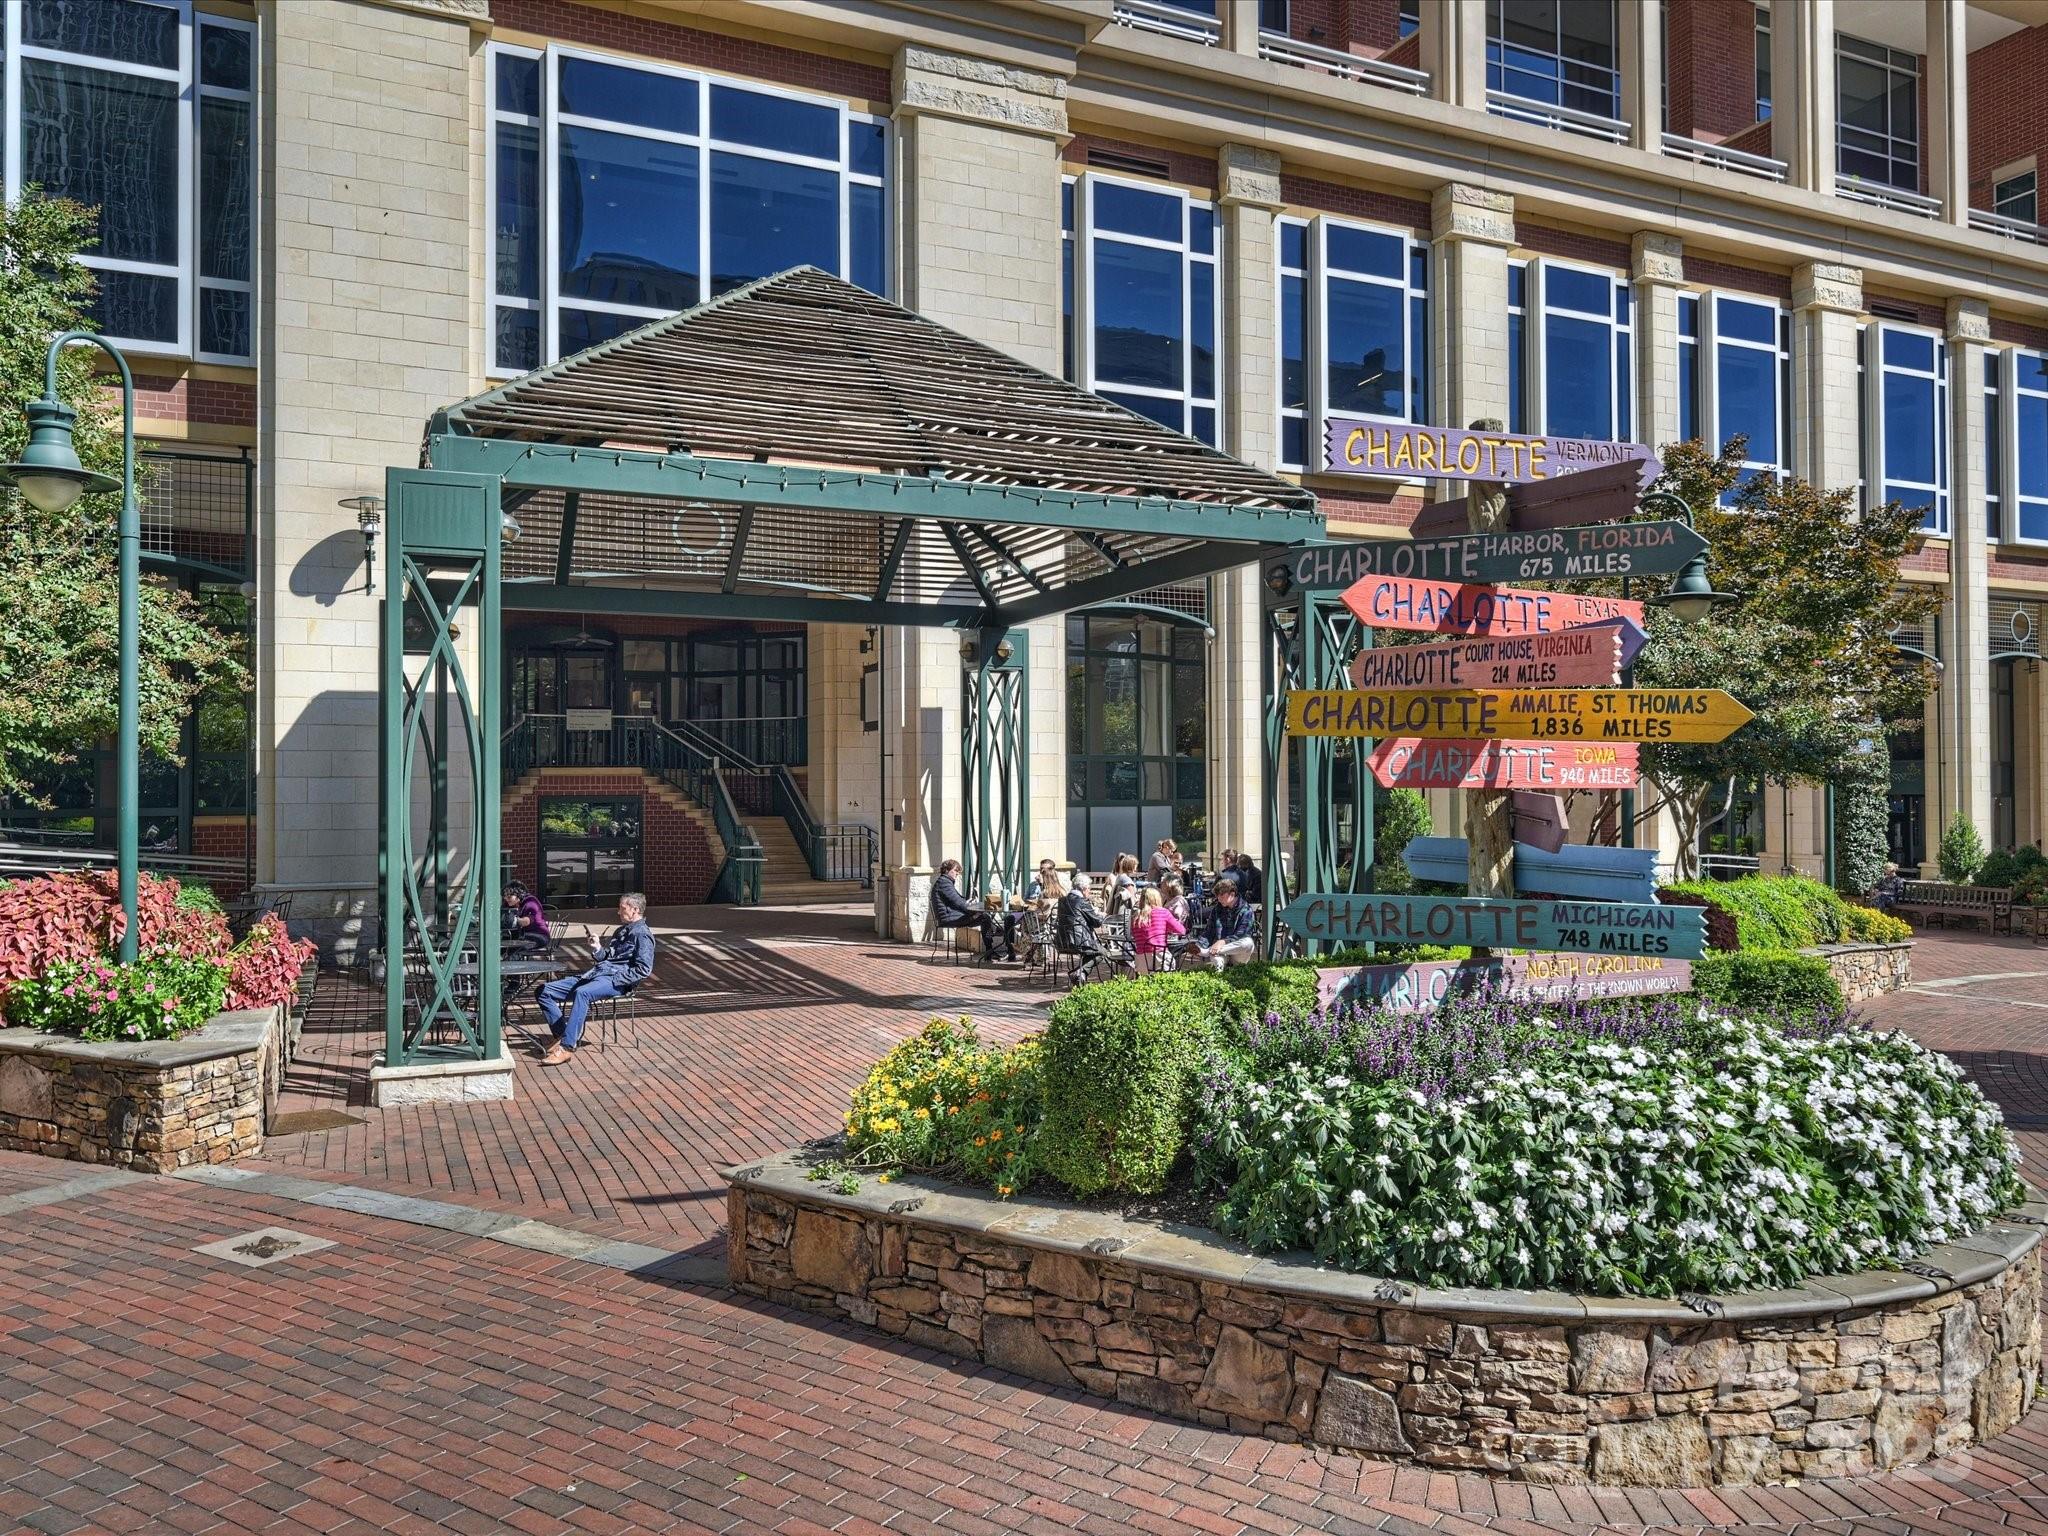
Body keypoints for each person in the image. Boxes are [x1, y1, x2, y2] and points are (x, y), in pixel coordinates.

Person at [536, 892, 654, 1064]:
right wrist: (597, 948)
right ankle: (563, 1034)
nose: (618, 912)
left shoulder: (642, 934)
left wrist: (616, 979)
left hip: (615, 980)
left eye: (622, 908)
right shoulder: (621, 930)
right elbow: (607, 957)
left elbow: (644, 969)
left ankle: (567, 1047)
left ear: (635, 910)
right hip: (596, 974)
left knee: (582, 993)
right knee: (543, 991)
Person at [931, 858, 1016, 962]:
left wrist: (972, 906)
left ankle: (992, 941)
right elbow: (959, 904)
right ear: (947, 870)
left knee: (985, 917)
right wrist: (973, 909)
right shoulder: (944, 883)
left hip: (951, 915)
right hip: (948, 918)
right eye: (955, 870)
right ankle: (992, 945)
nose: (957, 873)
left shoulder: (945, 882)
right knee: (984, 917)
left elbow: (958, 902)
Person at [1191, 875, 1257, 970]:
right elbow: (1208, 932)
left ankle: (1207, 952)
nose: (1218, 898)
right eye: (1217, 895)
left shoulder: (1246, 910)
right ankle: (1212, 956)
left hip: (1235, 953)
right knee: (1218, 961)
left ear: (1232, 894)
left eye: (1221, 895)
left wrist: (1223, 942)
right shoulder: (1217, 910)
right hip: (1219, 951)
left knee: (1248, 943)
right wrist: (1198, 945)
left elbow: (1242, 934)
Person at [1057, 872, 1107, 986]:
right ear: (1084, 889)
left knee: (1094, 951)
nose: (1089, 891)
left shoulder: (1062, 900)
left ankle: (1079, 973)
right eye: (1089, 888)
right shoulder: (1081, 902)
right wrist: (1102, 916)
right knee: (1103, 952)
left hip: (1062, 941)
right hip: (1080, 941)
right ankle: (1079, 972)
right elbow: (1097, 922)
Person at [1129, 886, 1185, 974]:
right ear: (1157, 899)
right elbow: (1181, 930)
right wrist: (1167, 929)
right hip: (1160, 956)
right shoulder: (1163, 912)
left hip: (1141, 959)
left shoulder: (1136, 917)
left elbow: (1133, 934)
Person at [502, 883, 550, 952]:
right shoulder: (508, 904)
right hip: (520, 935)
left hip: (539, 935)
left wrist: (513, 920)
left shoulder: (531, 902)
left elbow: (526, 921)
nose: (506, 898)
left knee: (513, 947)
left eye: (509, 896)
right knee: (500, 944)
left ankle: (514, 961)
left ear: (518, 895)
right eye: (505, 896)